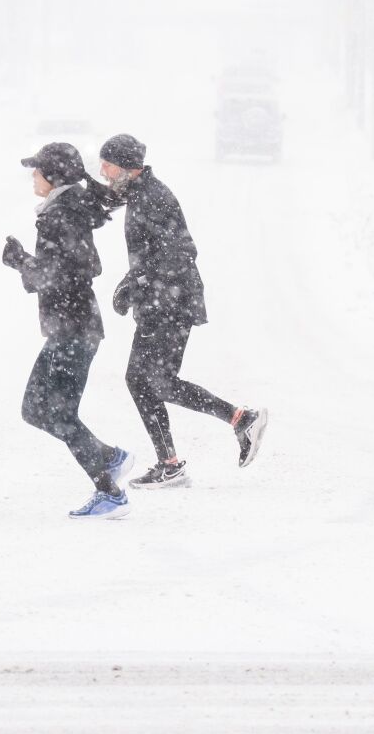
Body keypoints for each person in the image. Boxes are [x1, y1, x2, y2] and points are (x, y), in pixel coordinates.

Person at [97, 133, 267, 489]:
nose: (103, 172)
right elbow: (108, 202)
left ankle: (227, 428)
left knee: (148, 381)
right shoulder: (138, 192)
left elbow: (182, 251)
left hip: (170, 304)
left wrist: (137, 281)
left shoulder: (153, 197)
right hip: (163, 303)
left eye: (107, 165)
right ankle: (226, 428)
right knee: (151, 381)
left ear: (127, 167)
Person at [2, 142, 136, 519]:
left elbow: (61, 275)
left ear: (53, 175)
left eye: (37, 170)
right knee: (39, 410)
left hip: (72, 329)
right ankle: (110, 458)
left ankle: (110, 491)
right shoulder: (66, 208)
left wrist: (20, 261)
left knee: (52, 412)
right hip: (74, 328)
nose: (33, 175)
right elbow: (73, 268)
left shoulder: (60, 213)